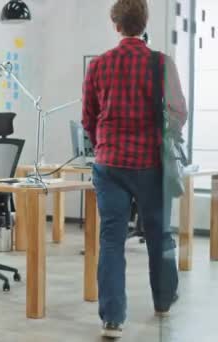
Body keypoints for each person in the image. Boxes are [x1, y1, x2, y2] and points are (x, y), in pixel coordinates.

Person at [82, 0, 188, 339]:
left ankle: (112, 319)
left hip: (108, 164)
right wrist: (167, 133)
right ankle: (163, 300)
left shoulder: (99, 65)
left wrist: (102, 143)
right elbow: (178, 111)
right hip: (150, 163)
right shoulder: (161, 63)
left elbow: (88, 117)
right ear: (144, 24)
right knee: (158, 234)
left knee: (111, 239)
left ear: (116, 25)